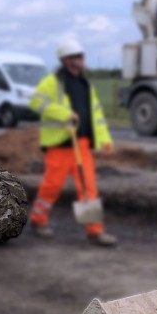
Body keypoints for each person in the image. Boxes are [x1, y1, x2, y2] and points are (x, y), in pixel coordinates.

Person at [28, 38, 117, 246]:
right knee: (51, 186)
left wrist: (104, 139)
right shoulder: (53, 82)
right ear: (66, 60)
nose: (80, 60)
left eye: (81, 56)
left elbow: (96, 115)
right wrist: (64, 114)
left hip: (82, 144)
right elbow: (36, 102)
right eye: (76, 56)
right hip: (60, 146)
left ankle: (95, 231)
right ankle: (38, 219)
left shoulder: (85, 84)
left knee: (88, 188)